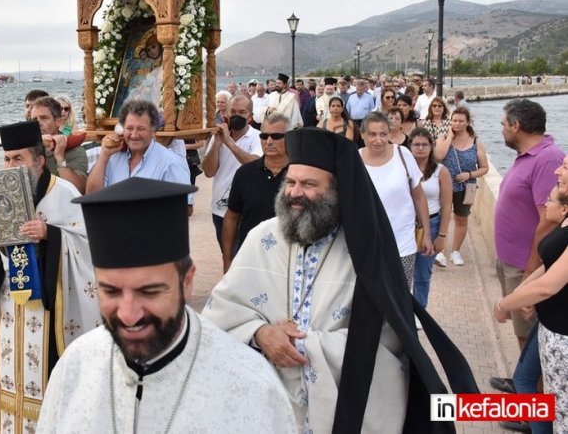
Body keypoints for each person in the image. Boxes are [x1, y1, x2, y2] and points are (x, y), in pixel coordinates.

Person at [203, 127, 477, 433]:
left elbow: (387, 342)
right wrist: (260, 333)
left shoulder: (365, 251)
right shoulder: (261, 237)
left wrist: (303, 346)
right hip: (267, 407)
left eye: (309, 184)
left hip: (336, 414)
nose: (294, 192)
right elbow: (221, 312)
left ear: (336, 192)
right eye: (290, 182)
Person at [37, 178, 296, 432]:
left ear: (187, 282)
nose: (128, 315)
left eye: (149, 292)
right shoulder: (77, 365)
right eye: (111, 291)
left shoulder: (251, 384)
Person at [0, 121, 98, 433]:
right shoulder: (0, 194)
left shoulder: (65, 194)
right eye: (6, 158)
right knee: (6, 375)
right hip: (10, 309)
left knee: (45, 380)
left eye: (18, 159)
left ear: (39, 161)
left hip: (50, 311)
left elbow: (87, 246)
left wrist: (50, 234)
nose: (10, 165)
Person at [488, 99, 564, 396]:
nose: (502, 130)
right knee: (524, 336)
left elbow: (548, 220)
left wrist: (531, 269)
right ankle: (523, 384)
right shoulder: (528, 155)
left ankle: (531, 406)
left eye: (504, 124)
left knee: (531, 339)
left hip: (525, 266)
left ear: (516, 126)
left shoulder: (547, 159)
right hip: (513, 261)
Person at [494, 183, 568, 434]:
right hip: (549, 325)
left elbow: (548, 286)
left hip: (562, 336)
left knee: (559, 414)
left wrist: (504, 304)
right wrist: (521, 294)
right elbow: (550, 266)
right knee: (525, 381)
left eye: (566, 167)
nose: (558, 171)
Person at [359, 111, 434, 288]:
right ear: (363, 135)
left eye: (383, 134)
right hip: (369, 247)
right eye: (372, 134)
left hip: (403, 244)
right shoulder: (355, 160)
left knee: (400, 296)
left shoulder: (403, 154)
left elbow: (419, 197)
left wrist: (427, 235)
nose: (378, 140)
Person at [86, 99, 192, 208]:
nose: (134, 135)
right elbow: (92, 196)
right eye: (129, 128)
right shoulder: (112, 158)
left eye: (141, 129)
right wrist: (104, 155)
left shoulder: (171, 163)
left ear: (153, 130)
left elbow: (186, 207)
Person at [220, 113, 289, 272]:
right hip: (250, 259)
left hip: (287, 261)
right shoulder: (245, 174)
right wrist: (227, 259)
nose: (269, 141)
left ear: (289, 138)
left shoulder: (299, 174)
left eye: (276, 136)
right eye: (264, 136)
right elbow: (232, 216)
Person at [202, 94, 262, 251]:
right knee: (226, 254)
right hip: (219, 209)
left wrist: (229, 143)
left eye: (242, 112)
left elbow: (254, 165)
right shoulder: (218, 136)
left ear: (250, 117)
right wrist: (216, 143)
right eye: (233, 111)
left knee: (243, 255)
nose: (236, 116)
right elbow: (208, 172)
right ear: (226, 114)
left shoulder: (257, 137)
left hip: (245, 210)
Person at [434, 106, 489, 267]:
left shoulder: (476, 142)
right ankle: (440, 251)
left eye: (460, 121)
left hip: (465, 187)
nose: (457, 124)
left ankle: (456, 251)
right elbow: (438, 156)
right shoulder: (443, 137)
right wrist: (449, 137)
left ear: (467, 123)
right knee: (441, 217)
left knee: (461, 218)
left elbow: (484, 167)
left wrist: (470, 175)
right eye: (454, 120)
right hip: (444, 186)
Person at [410, 128, 453, 312]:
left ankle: (420, 311)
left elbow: (446, 206)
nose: (420, 148)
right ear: (409, 146)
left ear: (431, 146)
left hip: (432, 223)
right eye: (416, 144)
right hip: (407, 225)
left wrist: (442, 235)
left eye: (424, 144)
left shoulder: (440, 172)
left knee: (422, 273)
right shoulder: (404, 168)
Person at [30, 96, 87, 193]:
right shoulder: (27, 148)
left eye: (44, 118)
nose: (38, 123)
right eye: (34, 120)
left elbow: (78, 189)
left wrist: (60, 158)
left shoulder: (75, 150)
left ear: (58, 121)